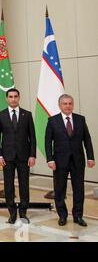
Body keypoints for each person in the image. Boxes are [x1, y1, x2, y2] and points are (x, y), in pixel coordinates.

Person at [45, 94, 95, 227]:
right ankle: (62, 215)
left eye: (70, 103)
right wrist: (50, 159)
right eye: (65, 104)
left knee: (79, 189)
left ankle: (78, 216)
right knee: (60, 189)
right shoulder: (52, 121)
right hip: (59, 161)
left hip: (78, 160)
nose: (68, 106)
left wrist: (90, 156)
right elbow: (47, 142)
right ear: (60, 105)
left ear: (73, 105)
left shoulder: (80, 119)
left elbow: (87, 140)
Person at [0, 89, 36, 224]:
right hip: (7, 157)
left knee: (24, 185)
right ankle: (12, 212)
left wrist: (32, 155)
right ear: (7, 98)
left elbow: (33, 137)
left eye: (15, 96)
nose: (13, 99)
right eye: (10, 97)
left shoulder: (27, 115)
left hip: (24, 157)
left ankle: (23, 212)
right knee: (8, 185)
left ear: (19, 98)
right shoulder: (0, 115)